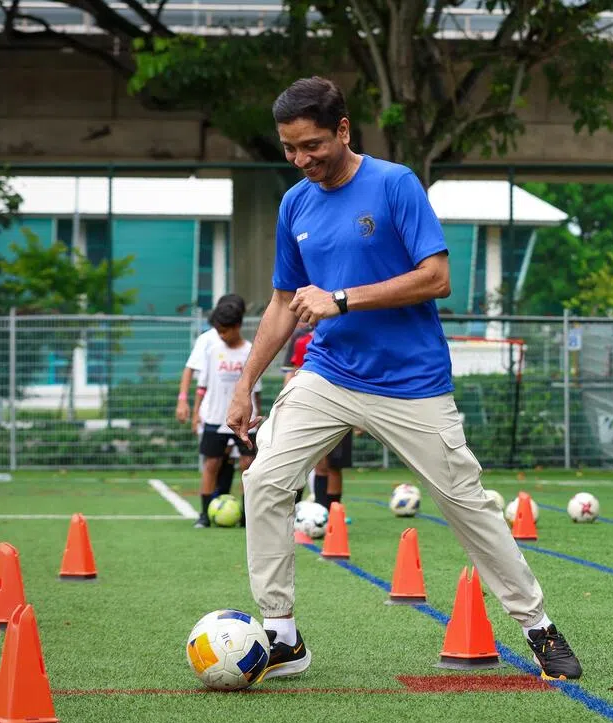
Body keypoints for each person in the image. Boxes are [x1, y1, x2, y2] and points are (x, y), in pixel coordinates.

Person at [225, 76, 581, 681]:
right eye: (290, 149)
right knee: (263, 481)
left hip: (413, 384)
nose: (301, 160)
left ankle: (538, 624)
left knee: (465, 503)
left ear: (343, 130)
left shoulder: (394, 184)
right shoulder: (295, 204)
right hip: (329, 374)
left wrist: (343, 297)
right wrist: (244, 383)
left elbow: (436, 277)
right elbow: (284, 301)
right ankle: (281, 634)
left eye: (311, 145)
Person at [191, 300, 261, 528]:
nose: (221, 335)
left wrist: (256, 418)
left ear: (238, 326)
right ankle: (204, 514)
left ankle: (246, 515)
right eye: (218, 330)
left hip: (244, 421)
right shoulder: (212, 350)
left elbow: (255, 389)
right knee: (212, 464)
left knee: (247, 465)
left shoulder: (250, 351)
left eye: (225, 330)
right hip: (214, 418)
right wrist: (195, 412)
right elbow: (203, 385)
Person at [177, 293, 246, 501]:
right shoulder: (207, 340)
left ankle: (223, 500)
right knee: (215, 459)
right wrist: (184, 401)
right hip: (212, 409)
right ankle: (213, 502)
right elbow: (191, 370)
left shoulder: (245, 345)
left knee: (234, 459)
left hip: (236, 410)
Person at [282, 321, 357, 508]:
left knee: (333, 465)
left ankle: (331, 515)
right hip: (309, 405)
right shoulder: (300, 339)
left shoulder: (345, 334)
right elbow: (292, 372)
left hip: (342, 404)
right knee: (304, 462)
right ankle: (299, 512)